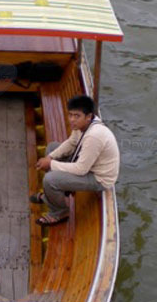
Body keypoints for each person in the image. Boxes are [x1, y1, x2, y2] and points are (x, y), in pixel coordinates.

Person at [32, 95, 119, 226]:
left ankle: (60, 212)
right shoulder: (84, 126)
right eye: (70, 115)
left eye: (77, 116)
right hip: (88, 165)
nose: (72, 120)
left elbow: (81, 169)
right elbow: (72, 143)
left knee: (49, 179)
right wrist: (50, 157)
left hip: (98, 178)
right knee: (52, 148)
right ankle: (54, 195)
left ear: (88, 116)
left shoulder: (94, 136)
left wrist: (51, 164)